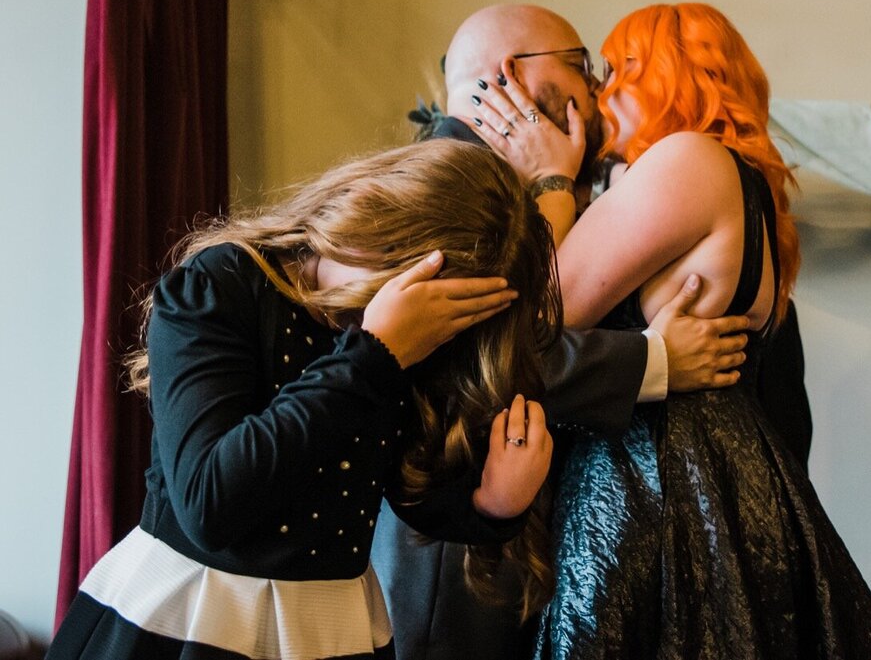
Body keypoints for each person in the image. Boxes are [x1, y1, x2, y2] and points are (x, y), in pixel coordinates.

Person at [472, 3, 871, 658]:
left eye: (618, 70)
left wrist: (551, 182)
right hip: (720, 474)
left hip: (656, 479)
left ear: (668, 78)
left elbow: (542, 313)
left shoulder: (686, 159)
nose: (601, 92)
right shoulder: (736, 176)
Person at [48, 140, 561, 660]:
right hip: (189, 617)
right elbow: (210, 505)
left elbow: (400, 484)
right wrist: (375, 356)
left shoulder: (405, 341)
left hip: (330, 627)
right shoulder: (222, 285)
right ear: (373, 209)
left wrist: (489, 505)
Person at [373, 4, 755, 660]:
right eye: (581, 67)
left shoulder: (503, 173)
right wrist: (654, 361)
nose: (595, 90)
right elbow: (482, 359)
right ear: (510, 74)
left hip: (513, 533)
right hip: (454, 553)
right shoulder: (445, 178)